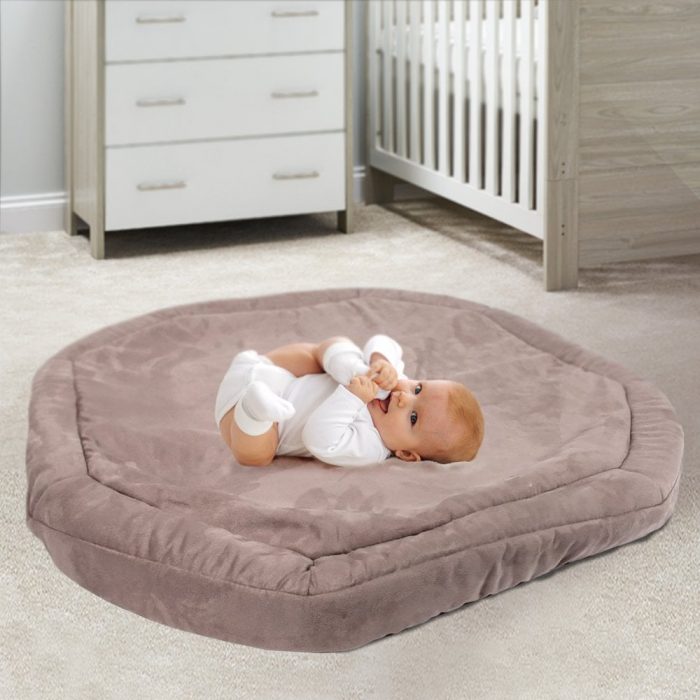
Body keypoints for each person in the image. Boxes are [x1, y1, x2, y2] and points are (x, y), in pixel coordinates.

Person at [214, 335, 484, 468]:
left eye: (413, 418)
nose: (403, 398)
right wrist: (381, 360)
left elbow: (318, 439)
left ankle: (254, 409)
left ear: (405, 454)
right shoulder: (393, 382)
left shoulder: (370, 447)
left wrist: (352, 398)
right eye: (419, 388)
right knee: (330, 352)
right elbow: (382, 339)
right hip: (274, 370)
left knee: (257, 455)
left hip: (246, 418)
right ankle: (262, 364)